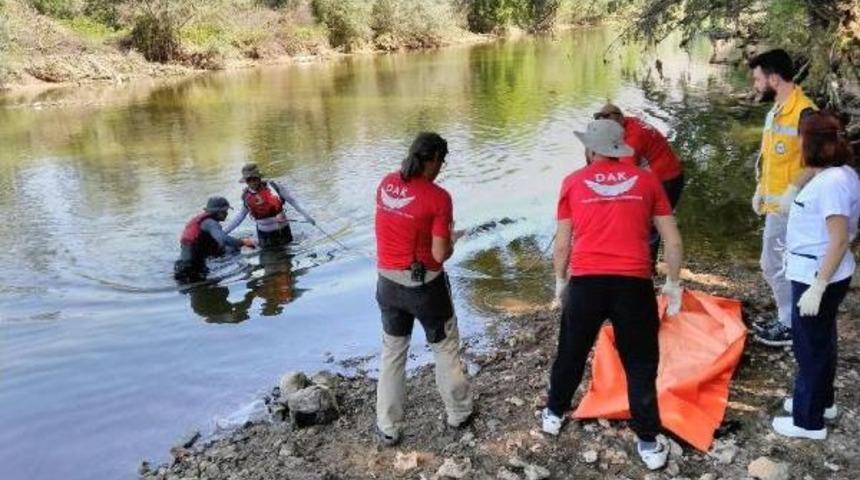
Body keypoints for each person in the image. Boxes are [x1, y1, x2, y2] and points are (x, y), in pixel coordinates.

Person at [544, 119, 684, 471]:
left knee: (571, 351)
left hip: (586, 283)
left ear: (590, 149)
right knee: (640, 362)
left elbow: (562, 244)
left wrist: (560, 281)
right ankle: (648, 441)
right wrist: (673, 284)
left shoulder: (572, 182)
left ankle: (554, 413)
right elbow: (672, 240)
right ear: (620, 149)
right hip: (633, 285)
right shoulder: (647, 180)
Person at [374, 132, 473, 446]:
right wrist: (452, 240)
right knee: (444, 347)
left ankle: (388, 425)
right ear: (433, 160)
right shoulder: (438, 198)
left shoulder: (386, 183)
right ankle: (459, 413)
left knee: (393, 353)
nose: (441, 168)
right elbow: (440, 254)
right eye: (442, 162)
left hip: (387, 283)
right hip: (425, 287)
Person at [772, 111, 859, 440]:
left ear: (812, 144)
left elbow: (838, 239)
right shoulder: (841, 172)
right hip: (823, 270)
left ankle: (808, 421)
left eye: (801, 138)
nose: (798, 143)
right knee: (822, 339)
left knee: (809, 346)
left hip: (817, 274)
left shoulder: (832, 184)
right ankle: (822, 401)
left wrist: (818, 287)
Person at [748, 49, 818, 347]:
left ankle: (789, 324)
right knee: (779, 263)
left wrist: (792, 191)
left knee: (772, 264)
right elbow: (771, 158)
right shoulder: (777, 110)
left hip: (795, 207)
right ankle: (788, 319)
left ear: (774, 79)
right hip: (776, 206)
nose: (755, 85)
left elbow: (815, 163)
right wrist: (760, 190)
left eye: (758, 79)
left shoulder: (805, 113)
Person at [594, 104, 685, 262]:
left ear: (619, 119)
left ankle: (646, 265)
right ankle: (641, 259)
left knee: (651, 223)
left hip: (666, 180)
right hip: (666, 172)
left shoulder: (633, 139)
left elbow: (625, 175)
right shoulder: (629, 122)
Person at [224, 163, 316, 248]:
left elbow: (292, 201)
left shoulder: (274, 187)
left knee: (286, 257)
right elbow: (240, 216)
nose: (252, 182)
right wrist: (224, 232)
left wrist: (307, 216)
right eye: (249, 180)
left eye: (254, 178)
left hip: (282, 232)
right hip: (264, 235)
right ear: (246, 181)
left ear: (259, 177)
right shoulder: (246, 196)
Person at [174, 196, 255, 283]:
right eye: (225, 211)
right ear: (218, 212)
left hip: (181, 267)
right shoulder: (211, 223)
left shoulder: (201, 221)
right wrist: (242, 242)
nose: (227, 213)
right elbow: (223, 239)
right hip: (192, 270)